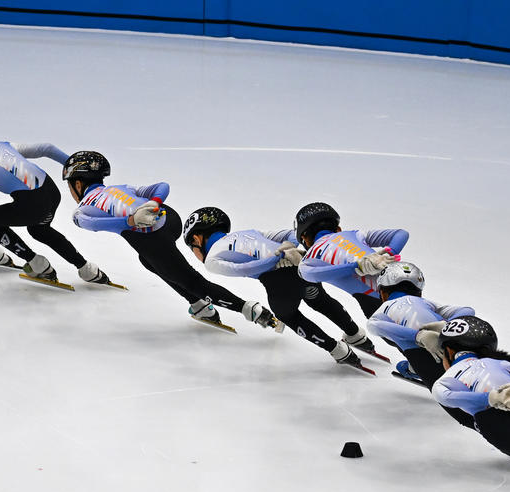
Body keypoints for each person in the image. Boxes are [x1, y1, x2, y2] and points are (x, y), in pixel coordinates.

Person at [63, 151, 279, 330]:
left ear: (78, 184)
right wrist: (154, 203)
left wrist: (129, 221)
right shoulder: (120, 188)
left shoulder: (83, 208)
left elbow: (90, 224)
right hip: (170, 218)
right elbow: (162, 186)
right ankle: (198, 305)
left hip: (150, 237)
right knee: (147, 261)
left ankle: (249, 309)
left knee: (192, 282)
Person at [181, 207, 374, 369]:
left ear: (197, 239)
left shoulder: (212, 259)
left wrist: (275, 259)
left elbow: (244, 268)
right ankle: (355, 335)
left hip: (277, 280)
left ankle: (336, 350)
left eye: (192, 249)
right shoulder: (249, 232)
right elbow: (291, 235)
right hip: (299, 266)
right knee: (318, 299)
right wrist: (293, 249)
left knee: (287, 314)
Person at [0, 108, 115, 287]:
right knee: (39, 230)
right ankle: (87, 269)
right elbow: (46, 149)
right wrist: (78, 171)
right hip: (51, 191)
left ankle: (36, 263)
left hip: (33, 203)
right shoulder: (5, 145)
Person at [427, 317, 510, 468]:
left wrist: (491, 398)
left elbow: (445, 397)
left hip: (500, 429)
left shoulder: (445, 379)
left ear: (448, 351)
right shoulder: (498, 363)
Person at [362, 262, 475, 388]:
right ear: (419, 291)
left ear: (382, 293)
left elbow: (373, 326)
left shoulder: (384, 308)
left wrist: (418, 336)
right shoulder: (426, 302)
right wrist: (447, 325)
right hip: (456, 346)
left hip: (422, 356)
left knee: (394, 334)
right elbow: (468, 311)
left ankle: (414, 367)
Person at [294, 202, 408, 319]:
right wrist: (388, 255)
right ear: (338, 229)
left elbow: (311, 275)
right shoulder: (355, 234)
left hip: (375, 300)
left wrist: (357, 267)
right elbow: (401, 234)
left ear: (304, 239)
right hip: (405, 282)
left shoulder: (309, 258)